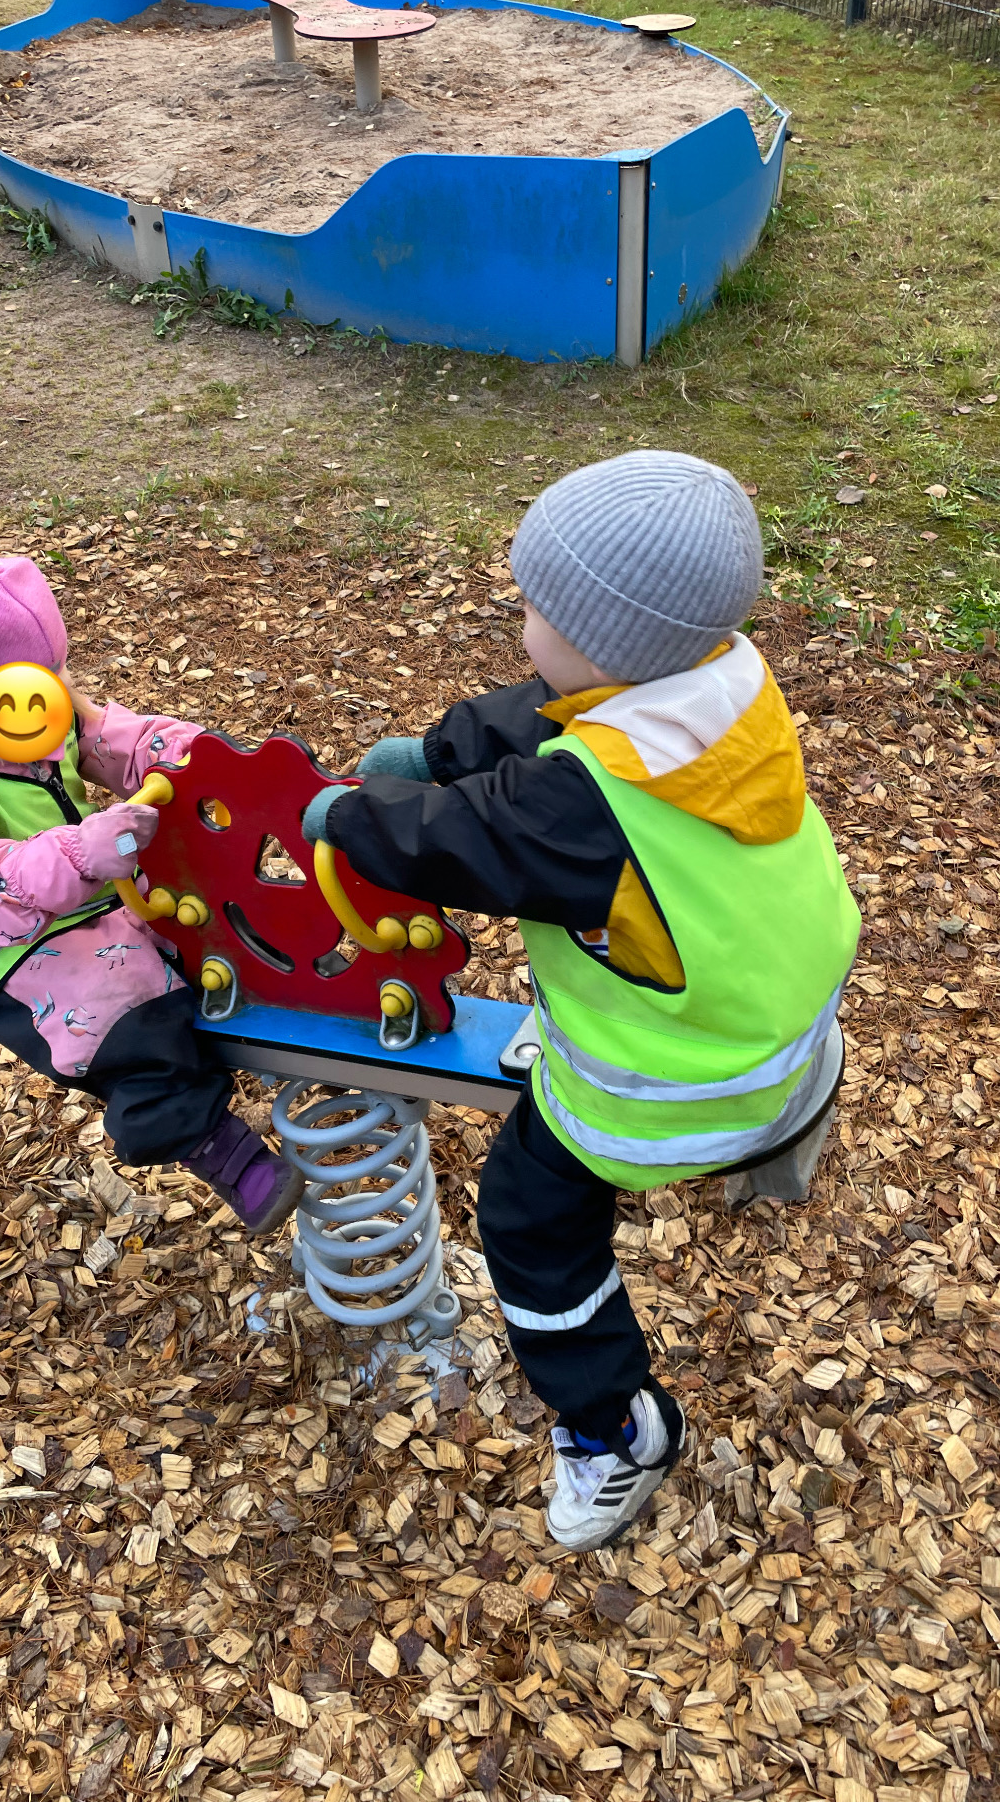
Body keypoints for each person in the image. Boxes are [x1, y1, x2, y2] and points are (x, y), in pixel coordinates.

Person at [300, 451, 860, 1550]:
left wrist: (347, 818)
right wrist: (437, 751)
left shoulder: (581, 810)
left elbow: (467, 842)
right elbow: (550, 717)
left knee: (527, 1218)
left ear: (602, 641)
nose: (520, 624)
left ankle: (615, 1430)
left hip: (690, 1085)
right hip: (788, 1017)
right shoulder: (722, 681)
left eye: (534, 608)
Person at [0, 541, 303, 1234]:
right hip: (3, 939)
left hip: (95, 883)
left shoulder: (24, 711)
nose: (57, 693)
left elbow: (110, 739)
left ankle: (307, 999)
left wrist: (198, 759)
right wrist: (79, 852)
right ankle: (209, 1144)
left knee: (216, 901)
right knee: (116, 1007)